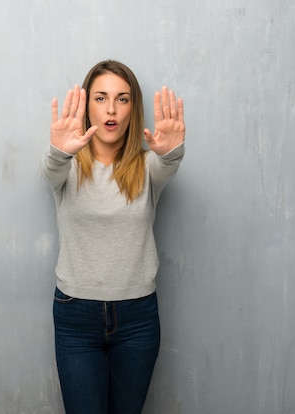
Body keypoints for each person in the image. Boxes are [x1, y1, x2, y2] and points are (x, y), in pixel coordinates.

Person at [40, 60, 185, 413]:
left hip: (138, 318)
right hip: (76, 316)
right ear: (88, 106)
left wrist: (171, 151)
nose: (111, 109)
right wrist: (60, 149)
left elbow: (167, 163)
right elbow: (51, 167)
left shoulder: (149, 166)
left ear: (133, 108)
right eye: (101, 98)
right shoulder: (68, 167)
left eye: (122, 99)